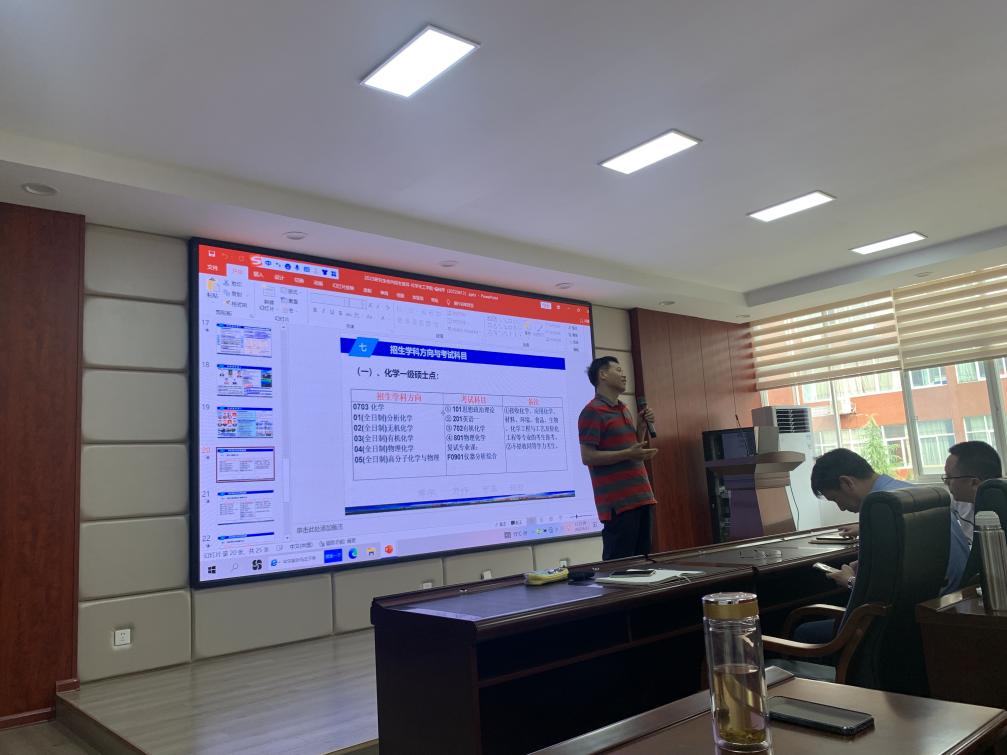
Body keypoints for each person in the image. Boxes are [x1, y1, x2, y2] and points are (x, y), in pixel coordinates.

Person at [578, 356, 658, 560]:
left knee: (643, 565)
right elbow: (587, 456)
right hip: (619, 505)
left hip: (642, 497)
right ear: (603, 375)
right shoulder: (592, 411)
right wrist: (627, 454)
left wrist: (641, 427)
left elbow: (632, 448)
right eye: (618, 370)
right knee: (619, 568)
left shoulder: (623, 409)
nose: (624, 375)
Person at [944, 440, 1002, 545]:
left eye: (949, 477)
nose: (946, 482)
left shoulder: (1000, 511)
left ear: (974, 483)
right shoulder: (961, 500)